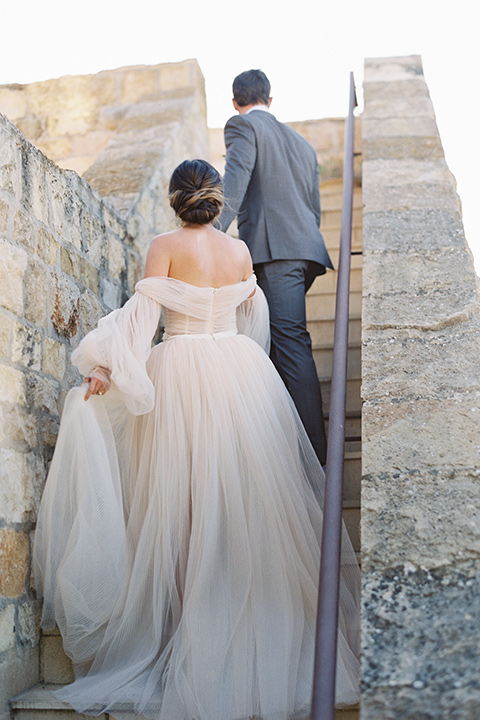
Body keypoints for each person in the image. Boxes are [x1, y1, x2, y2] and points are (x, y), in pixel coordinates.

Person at [34, 159, 359, 720]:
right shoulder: (238, 252)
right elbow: (252, 319)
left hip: (180, 372)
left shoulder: (163, 244)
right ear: (216, 198)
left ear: (174, 199)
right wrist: (238, 361)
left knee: (180, 510)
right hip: (240, 374)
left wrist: (105, 365)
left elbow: (144, 314)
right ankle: (242, 625)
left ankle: (191, 633)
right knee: (248, 506)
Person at [219, 69, 332, 467]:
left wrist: (208, 233)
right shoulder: (303, 144)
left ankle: (315, 458)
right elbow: (314, 206)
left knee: (289, 343)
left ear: (236, 102)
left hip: (274, 252)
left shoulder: (241, 126)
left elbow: (234, 183)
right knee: (272, 344)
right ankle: (282, 446)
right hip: (301, 250)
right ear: (270, 98)